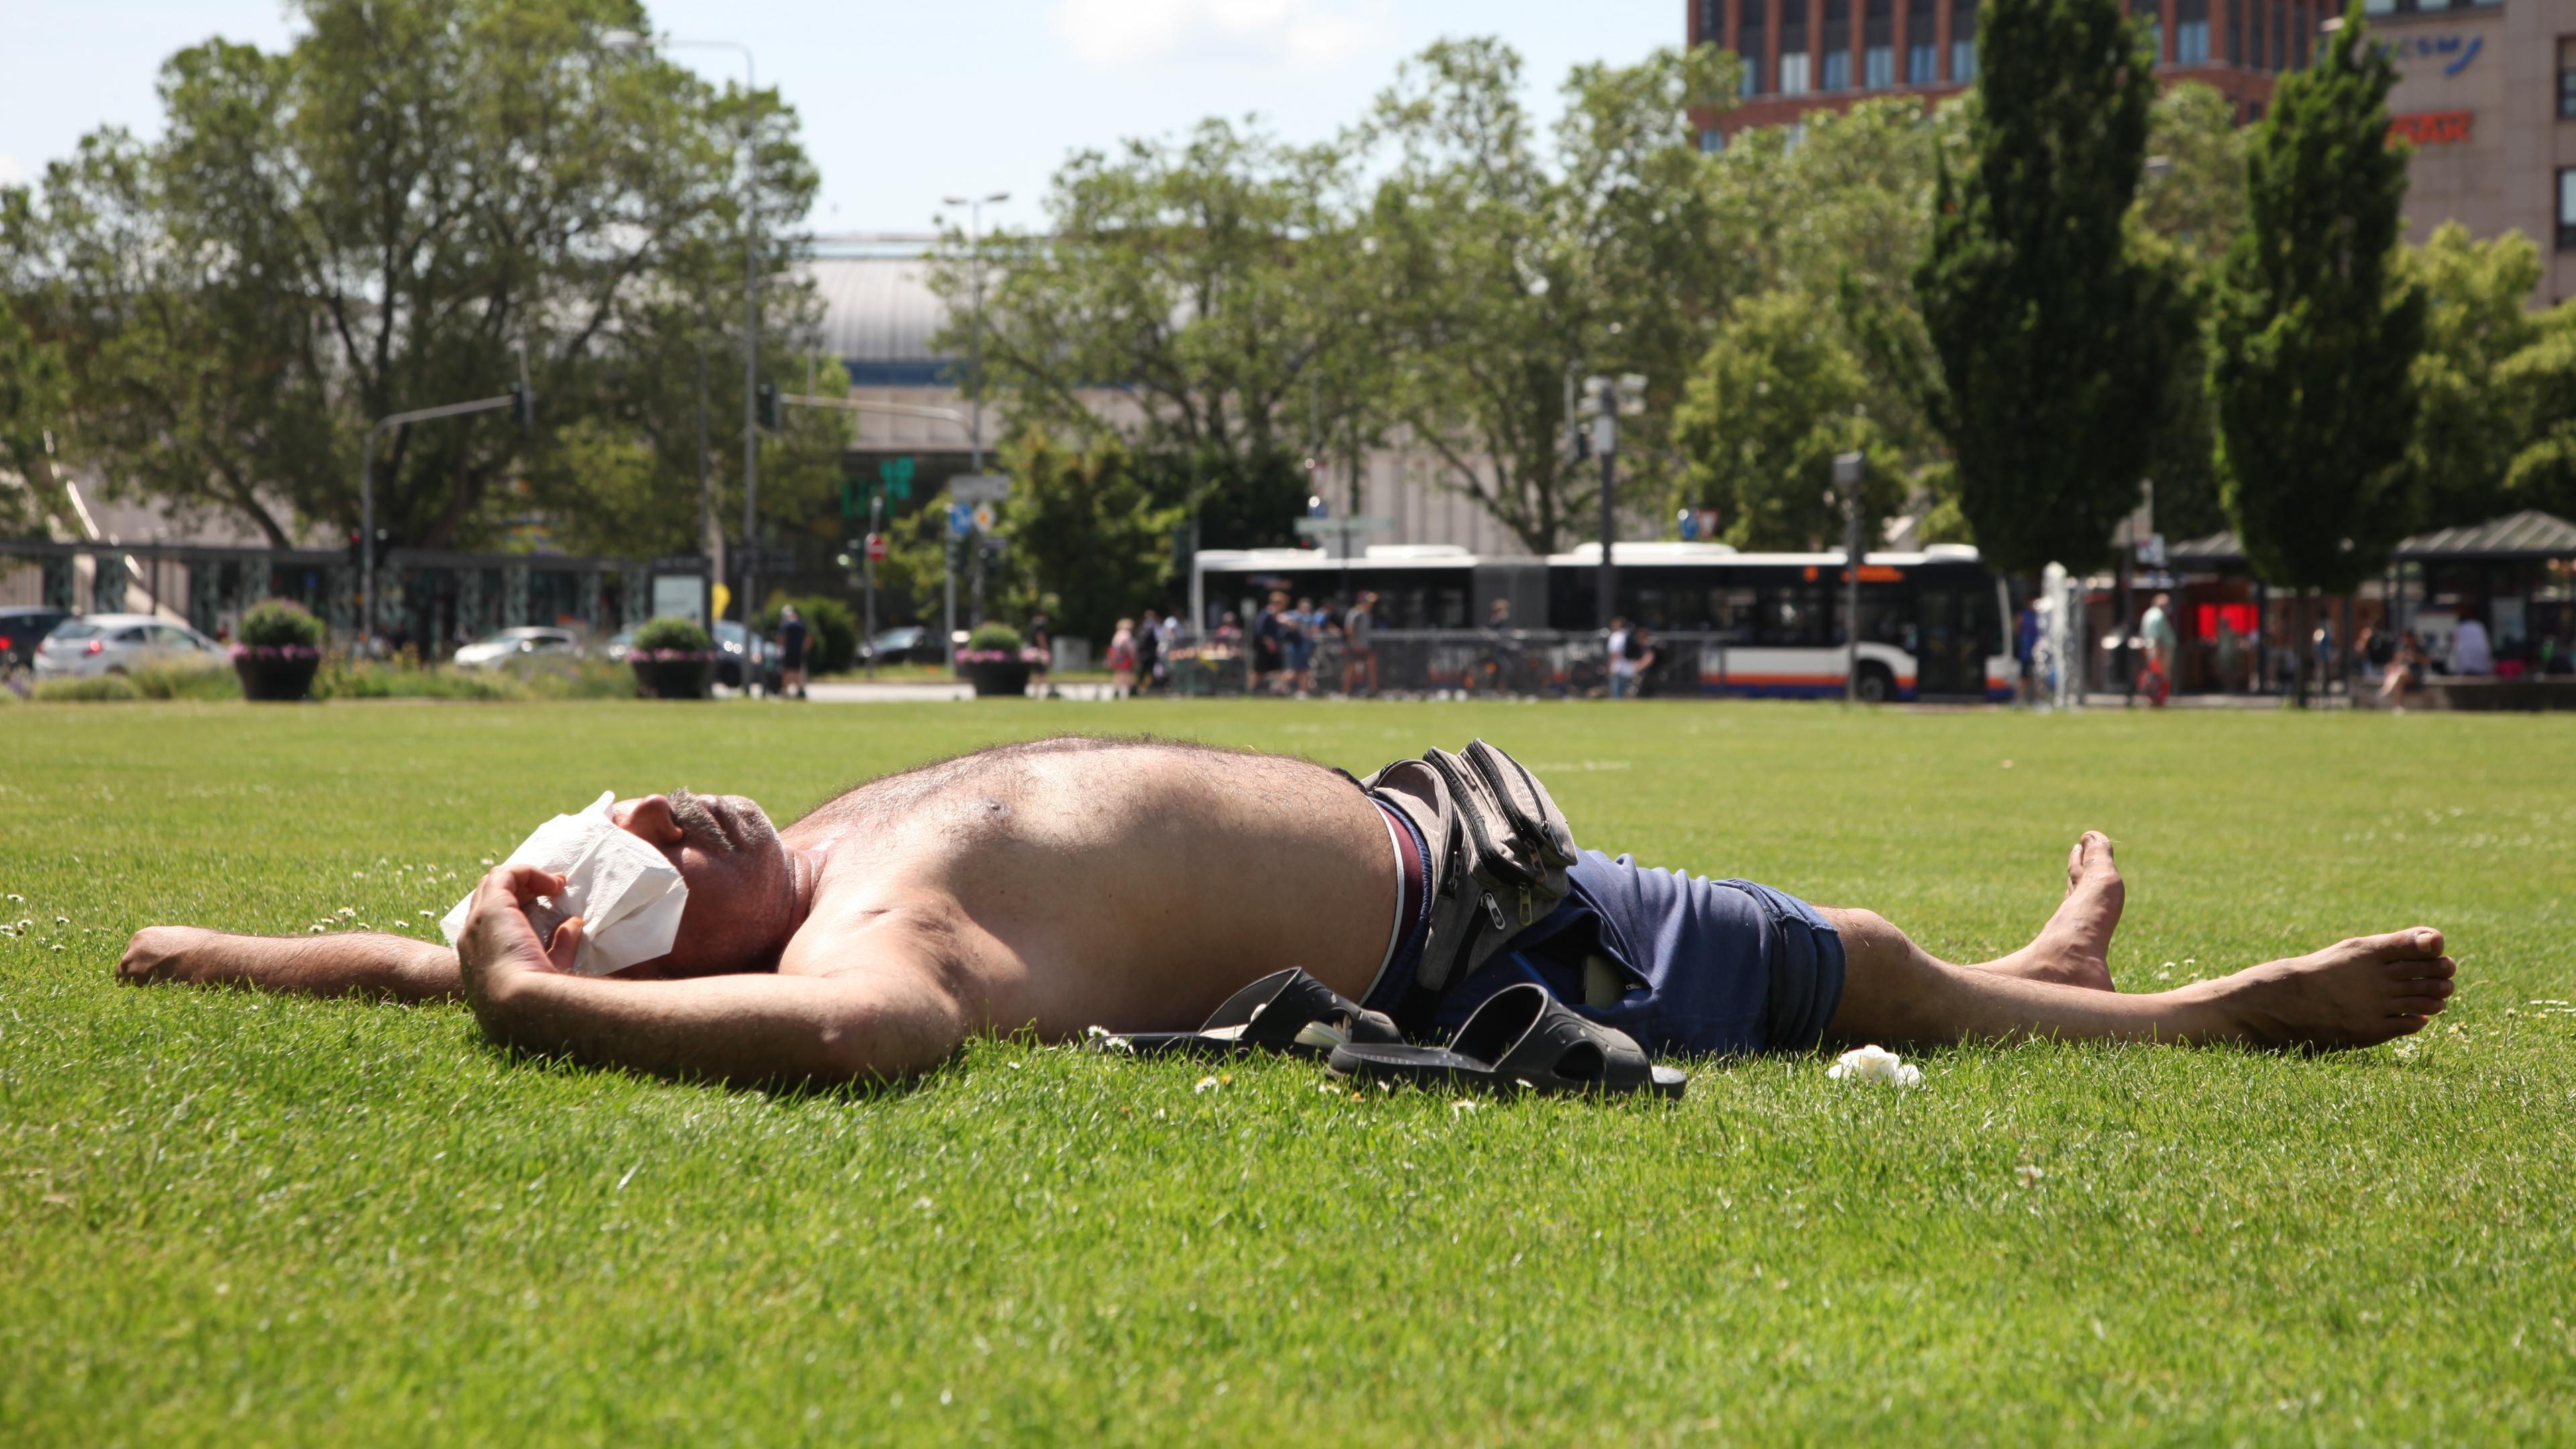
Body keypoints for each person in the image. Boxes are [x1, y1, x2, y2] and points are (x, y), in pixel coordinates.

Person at [118, 738, 2459, 1087]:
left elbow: (418, 954)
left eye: (639, 804)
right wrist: (561, 1020)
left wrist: (219, 951)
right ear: (690, 945)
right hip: (1494, 943)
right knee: (1843, 963)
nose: (666, 806)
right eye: (660, 858)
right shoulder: (862, 949)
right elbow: (874, 1052)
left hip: (1465, 834)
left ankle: (2020, 982)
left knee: (1850, 944)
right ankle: (2171, 1025)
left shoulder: (817, 852)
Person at [2137, 592, 2176, 706]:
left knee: (2154, 675)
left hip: (2151, 649)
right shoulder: (2158, 616)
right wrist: (2158, 652)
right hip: (2160, 650)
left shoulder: (2148, 614)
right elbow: (2157, 638)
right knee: (2161, 676)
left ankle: (2154, 699)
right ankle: (2159, 700)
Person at [1252, 592, 1293, 694]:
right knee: (1258, 671)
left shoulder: (1278, 616)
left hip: (1275, 647)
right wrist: (1268, 642)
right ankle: (1250, 690)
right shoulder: (1267, 613)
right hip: (1266, 647)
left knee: (1279, 670)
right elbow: (1259, 630)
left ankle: (1278, 690)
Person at [2379, 629, 2430, 711]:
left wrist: (2415, 656)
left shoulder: (2419, 647)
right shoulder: (2403, 647)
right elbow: (2395, 662)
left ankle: (2386, 689)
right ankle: (2398, 706)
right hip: (2401, 674)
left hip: (2415, 674)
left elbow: (2427, 661)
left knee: (2399, 673)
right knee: (2398, 677)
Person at [1342, 591, 1380, 698]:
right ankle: (1346, 693)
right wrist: (1354, 643)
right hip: (1354, 646)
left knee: (1372, 666)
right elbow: (1349, 629)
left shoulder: (1368, 614)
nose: (1371, 604)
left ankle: (1374, 691)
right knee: (1350, 669)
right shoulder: (1355, 613)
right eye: (1369, 601)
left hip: (1366, 646)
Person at [775, 606, 808, 701]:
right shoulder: (801, 624)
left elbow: (782, 638)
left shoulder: (786, 624)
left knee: (785, 672)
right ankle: (801, 690)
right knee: (797, 672)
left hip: (789, 651)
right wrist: (804, 649)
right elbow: (809, 638)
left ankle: (785, 691)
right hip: (798, 652)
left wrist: (779, 646)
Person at [2450, 607, 2493, 676]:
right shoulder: (2479, 626)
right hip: (2480, 653)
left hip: (2465, 654)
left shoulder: (2461, 627)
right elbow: (2487, 640)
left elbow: (2454, 641)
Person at [2014, 600, 2041, 705]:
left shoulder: (2040, 616)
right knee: (2024, 678)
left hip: (2038, 652)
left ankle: (2038, 700)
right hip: (2026, 652)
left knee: (2038, 678)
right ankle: (2020, 699)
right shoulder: (2023, 616)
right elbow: (2016, 629)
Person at [1133, 608, 1163, 696]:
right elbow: (1157, 640)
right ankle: (1146, 689)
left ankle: (1142, 688)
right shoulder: (1153, 628)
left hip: (1143, 654)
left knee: (1143, 672)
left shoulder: (1141, 628)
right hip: (1150, 654)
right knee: (1148, 672)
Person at [1106, 619, 1137, 698]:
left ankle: (1117, 690)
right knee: (1126, 673)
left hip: (1117, 656)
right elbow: (1130, 647)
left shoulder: (1118, 634)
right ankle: (1130, 690)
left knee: (1118, 673)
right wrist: (1133, 656)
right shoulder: (1126, 634)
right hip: (1124, 656)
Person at [1606, 616, 1635, 700]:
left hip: (1619, 667)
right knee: (1627, 692)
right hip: (1630, 667)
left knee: (1617, 693)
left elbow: (1615, 653)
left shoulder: (1617, 636)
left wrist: (1610, 666)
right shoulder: (1628, 635)